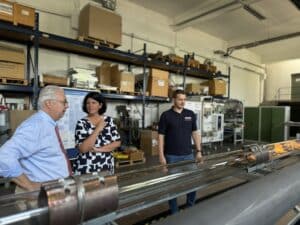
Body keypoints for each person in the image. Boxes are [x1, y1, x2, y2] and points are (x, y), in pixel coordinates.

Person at [0, 85, 71, 192]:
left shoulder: (47, 124)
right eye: (64, 102)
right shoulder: (36, 125)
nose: (67, 106)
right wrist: (29, 186)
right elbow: (4, 157)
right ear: (49, 103)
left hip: (53, 192)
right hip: (40, 196)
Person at [158, 89, 203, 214]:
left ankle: (190, 207)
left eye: (184, 99)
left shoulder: (190, 114)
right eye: (180, 99)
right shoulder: (166, 115)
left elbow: (195, 133)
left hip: (188, 155)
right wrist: (161, 156)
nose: (182, 102)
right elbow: (161, 137)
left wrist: (199, 151)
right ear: (174, 100)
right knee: (173, 186)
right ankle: (174, 212)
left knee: (193, 183)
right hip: (172, 157)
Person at [73, 92, 121, 175]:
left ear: (100, 105)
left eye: (94, 103)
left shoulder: (109, 120)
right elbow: (83, 149)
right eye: (88, 103)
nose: (90, 105)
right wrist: (98, 129)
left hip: (106, 164)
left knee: (107, 187)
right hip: (86, 166)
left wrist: (98, 149)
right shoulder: (81, 123)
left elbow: (117, 143)